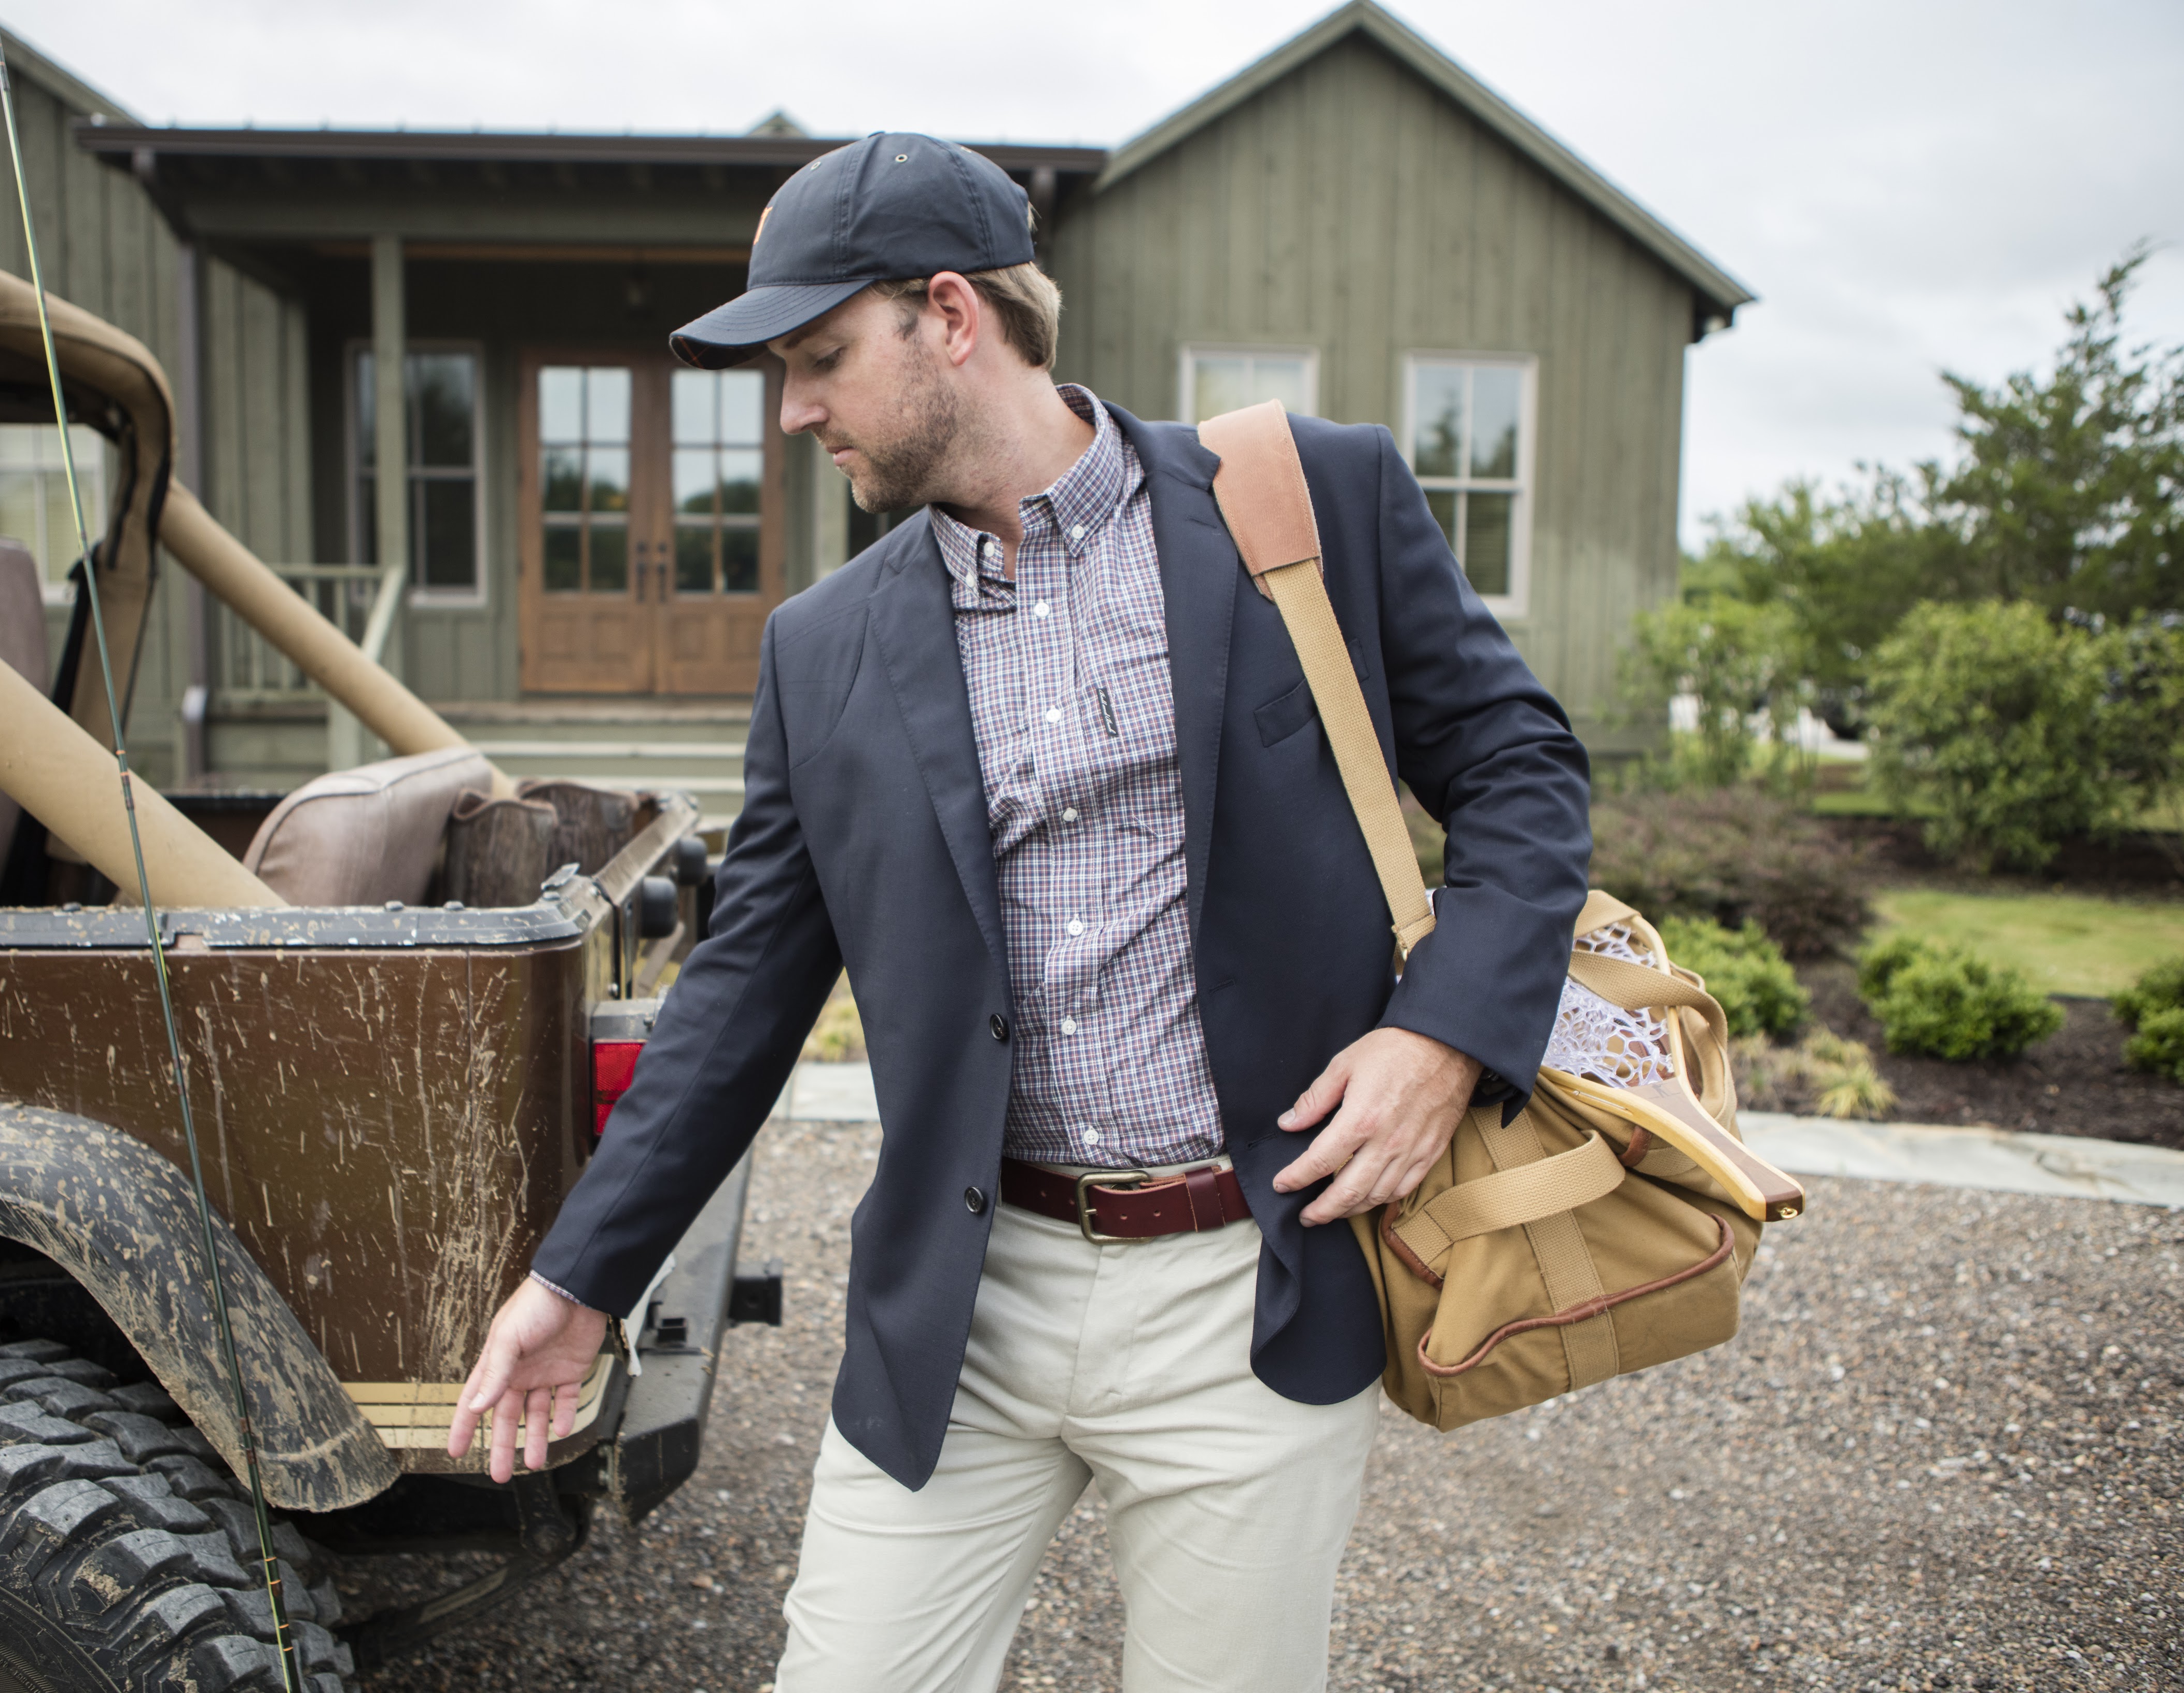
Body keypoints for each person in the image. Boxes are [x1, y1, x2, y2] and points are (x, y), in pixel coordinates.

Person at [449, 131, 1592, 1692]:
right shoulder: (821, 649)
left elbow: (1522, 773)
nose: (791, 412)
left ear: (951, 315)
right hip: (960, 1303)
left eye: (819, 358)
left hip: (1243, 1280)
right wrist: (578, 1279)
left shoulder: (1306, 497)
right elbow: (738, 997)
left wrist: (1441, 1036)